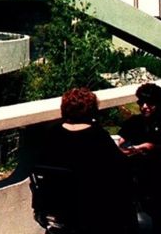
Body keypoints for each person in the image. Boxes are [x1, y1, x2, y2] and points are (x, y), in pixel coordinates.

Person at [36, 87, 136, 234]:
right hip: (88, 207)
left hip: (56, 203)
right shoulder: (97, 136)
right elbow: (122, 167)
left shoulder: (52, 133)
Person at [117, 83, 161, 231]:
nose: (144, 107)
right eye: (141, 103)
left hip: (160, 174)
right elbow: (121, 138)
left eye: (149, 103)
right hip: (137, 173)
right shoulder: (134, 122)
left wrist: (147, 147)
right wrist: (120, 144)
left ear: (158, 104)